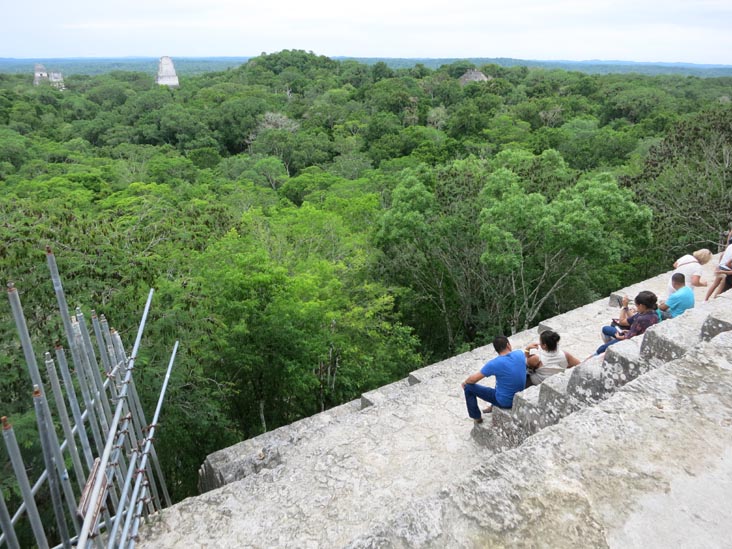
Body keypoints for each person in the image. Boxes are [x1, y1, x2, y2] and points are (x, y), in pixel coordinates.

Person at [462, 336, 526, 424]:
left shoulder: (494, 363)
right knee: (503, 379)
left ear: (496, 350)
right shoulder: (520, 353)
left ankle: (476, 417)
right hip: (520, 396)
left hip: (505, 402)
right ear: (508, 345)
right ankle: (492, 407)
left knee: (468, 387)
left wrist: (465, 382)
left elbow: (473, 379)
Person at [596, 291, 659, 355]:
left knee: (601, 349)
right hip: (635, 334)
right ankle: (611, 344)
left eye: (637, 306)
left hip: (631, 340)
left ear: (641, 306)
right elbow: (634, 320)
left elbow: (623, 323)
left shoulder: (641, 318)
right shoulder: (654, 314)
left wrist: (624, 306)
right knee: (606, 329)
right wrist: (628, 331)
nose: (636, 308)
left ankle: (607, 351)